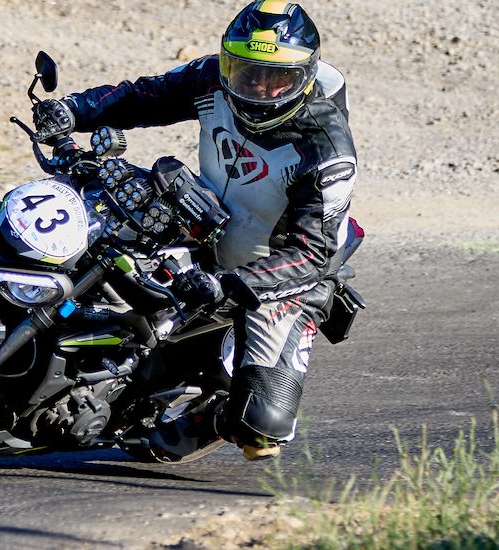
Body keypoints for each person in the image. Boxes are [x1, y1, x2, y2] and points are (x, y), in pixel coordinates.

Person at [32, 0, 359, 461]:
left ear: (303, 77)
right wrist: (73, 111)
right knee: (101, 223)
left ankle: (214, 415)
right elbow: (147, 95)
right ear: (229, 63)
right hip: (201, 219)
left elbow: (313, 252)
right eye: (247, 73)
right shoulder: (212, 80)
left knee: (262, 431)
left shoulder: (326, 151)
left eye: (277, 78)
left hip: (272, 271)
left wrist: (230, 284)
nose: (260, 89)